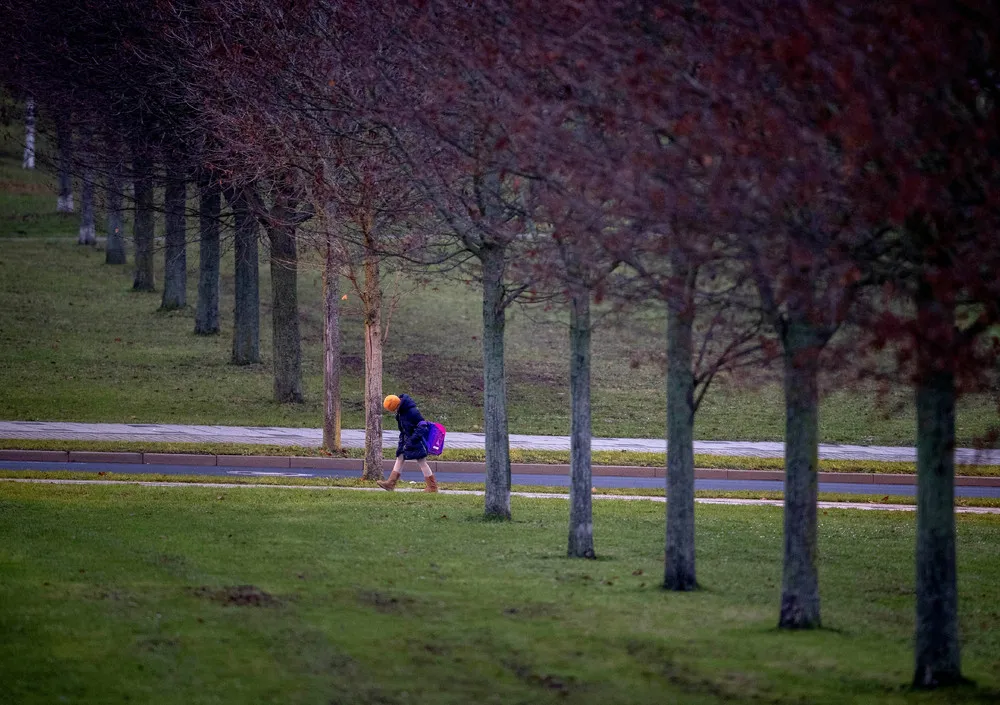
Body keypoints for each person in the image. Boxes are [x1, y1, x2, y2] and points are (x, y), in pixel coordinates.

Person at [378, 393, 438, 493]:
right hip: (406, 440)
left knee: (421, 461)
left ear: (397, 405)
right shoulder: (401, 412)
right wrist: (403, 440)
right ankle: (390, 483)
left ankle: (432, 487)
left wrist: (412, 440)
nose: (394, 412)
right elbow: (403, 428)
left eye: (394, 409)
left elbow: (422, 426)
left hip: (415, 440)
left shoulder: (412, 411)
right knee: (400, 458)